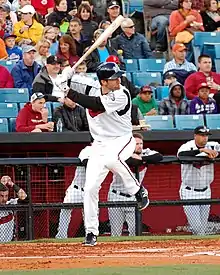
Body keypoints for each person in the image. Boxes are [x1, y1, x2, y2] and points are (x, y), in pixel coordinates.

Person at [58, 62, 149, 246]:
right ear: (103, 82)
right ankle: (91, 232)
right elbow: (63, 81)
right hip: (99, 144)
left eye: (118, 77)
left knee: (111, 159)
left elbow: (95, 104)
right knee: (90, 188)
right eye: (114, 78)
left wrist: (68, 90)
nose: (119, 80)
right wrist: (64, 76)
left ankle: (138, 191)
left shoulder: (122, 94)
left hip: (122, 139)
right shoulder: (90, 86)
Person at [108, 133, 163, 237]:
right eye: (136, 143)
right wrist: (137, 158)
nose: (139, 146)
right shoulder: (122, 153)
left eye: (141, 143)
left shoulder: (145, 152)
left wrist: (141, 159)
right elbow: (129, 161)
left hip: (134, 196)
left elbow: (159, 157)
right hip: (116, 195)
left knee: (135, 231)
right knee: (115, 232)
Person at [177, 126, 220, 235]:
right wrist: (201, 150)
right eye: (202, 135)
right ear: (195, 136)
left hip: (206, 190)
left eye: (206, 135)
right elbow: (181, 156)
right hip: (189, 191)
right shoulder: (187, 146)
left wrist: (216, 154)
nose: (204, 138)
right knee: (197, 227)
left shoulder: (213, 146)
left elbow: (217, 151)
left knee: (203, 226)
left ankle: (199, 247)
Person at [56, 145, 92, 239]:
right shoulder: (87, 150)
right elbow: (86, 162)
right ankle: (61, 236)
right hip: (77, 189)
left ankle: (90, 235)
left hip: (90, 191)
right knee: (65, 210)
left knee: (90, 215)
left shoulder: (104, 153)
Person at [0, 175, 28, 242]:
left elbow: (25, 199)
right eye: (1, 196)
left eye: (6, 196)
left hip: (9, 244)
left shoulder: (10, 204)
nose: (4, 199)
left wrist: (12, 184)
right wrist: (1, 184)